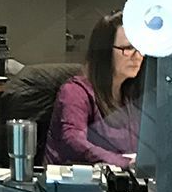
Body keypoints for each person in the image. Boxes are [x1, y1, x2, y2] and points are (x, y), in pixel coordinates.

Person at [44, 13, 144, 168]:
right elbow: (73, 141)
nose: (137, 56)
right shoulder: (74, 92)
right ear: (104, 52)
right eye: (128, 48)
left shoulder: (129, 95)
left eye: (140, 48)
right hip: (76, 187)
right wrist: (124, 162)